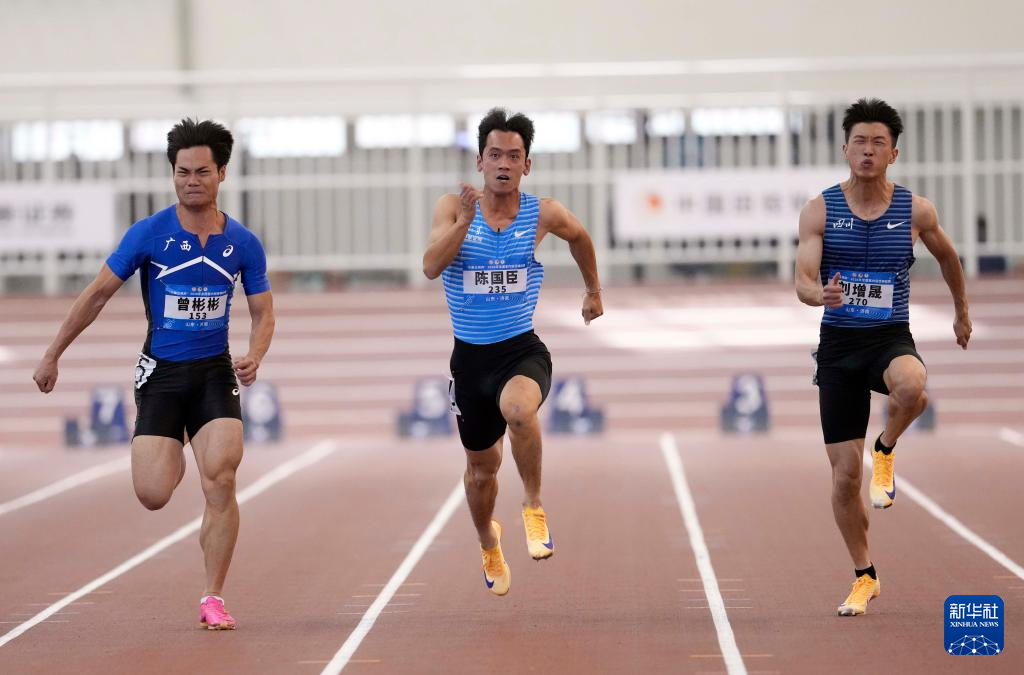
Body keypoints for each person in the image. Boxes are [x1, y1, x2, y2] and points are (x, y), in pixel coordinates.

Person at [33, 119, 275, 630]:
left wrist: (255, 353)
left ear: (222, 173)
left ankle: (213, 597)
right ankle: (177, 441)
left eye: (202, 172)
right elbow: (97, 295)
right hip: (161, 374)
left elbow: (263, 312)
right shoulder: (148, 234)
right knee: (153, 494)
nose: (191, 181)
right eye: (182, 172)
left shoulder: (243, 244)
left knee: (222, 477)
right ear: (173, 174)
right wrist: (54, 353)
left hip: (213, 373)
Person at [795, 98, 971, 616]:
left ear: (894, 153)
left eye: (878, 143)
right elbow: (802, 281)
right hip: (839, 347)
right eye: (859, 142)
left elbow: (949, 258)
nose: (868, 151)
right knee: (846, 479)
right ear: (845, 149)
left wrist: (961, 312)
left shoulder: (916, 210)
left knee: (913, 386)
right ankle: (865, 575)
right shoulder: (820, 210)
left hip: (890, 336)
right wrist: (819, 295)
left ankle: (886, 446)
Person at [423, 108, 603, 596]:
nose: (504, 164)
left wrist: (593, 290)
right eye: (495, 154)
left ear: (527, 165)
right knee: (482, 472)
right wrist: (464, 222)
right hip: (470, 361)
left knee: (520, 411)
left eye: (514, 156)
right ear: (480, 160)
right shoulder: (451, 207)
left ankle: (533, 505)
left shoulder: (542, 212)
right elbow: (431, 266)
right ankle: (488, 539)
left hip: (520, 350)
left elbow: (580, 237)